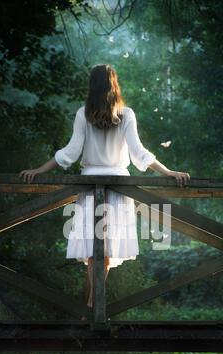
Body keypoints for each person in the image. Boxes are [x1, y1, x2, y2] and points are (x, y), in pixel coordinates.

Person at [19, 64, 190, 308]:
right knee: (105, 247)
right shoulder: (126, 114)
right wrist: (168, 171)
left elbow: (70, 153)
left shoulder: (84, 114)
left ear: (92, 86)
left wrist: (39, 169)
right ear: (114, 85)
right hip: (118, 188)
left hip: (91, 186)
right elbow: (139, 154)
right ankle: (93, 303)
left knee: (94, 246)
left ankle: (91, 304)